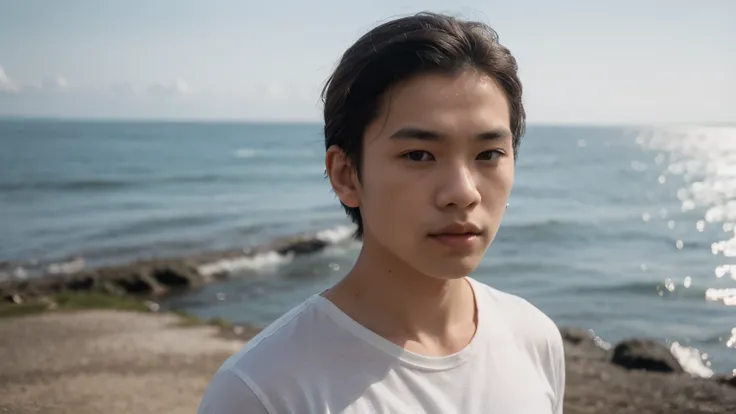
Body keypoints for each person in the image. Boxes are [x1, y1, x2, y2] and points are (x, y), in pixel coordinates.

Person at [198, 11, 565, 414]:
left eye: (489, 154)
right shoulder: (264, 390)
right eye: (419, 155)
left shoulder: (534, 339)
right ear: (346, 175)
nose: (463, 193)